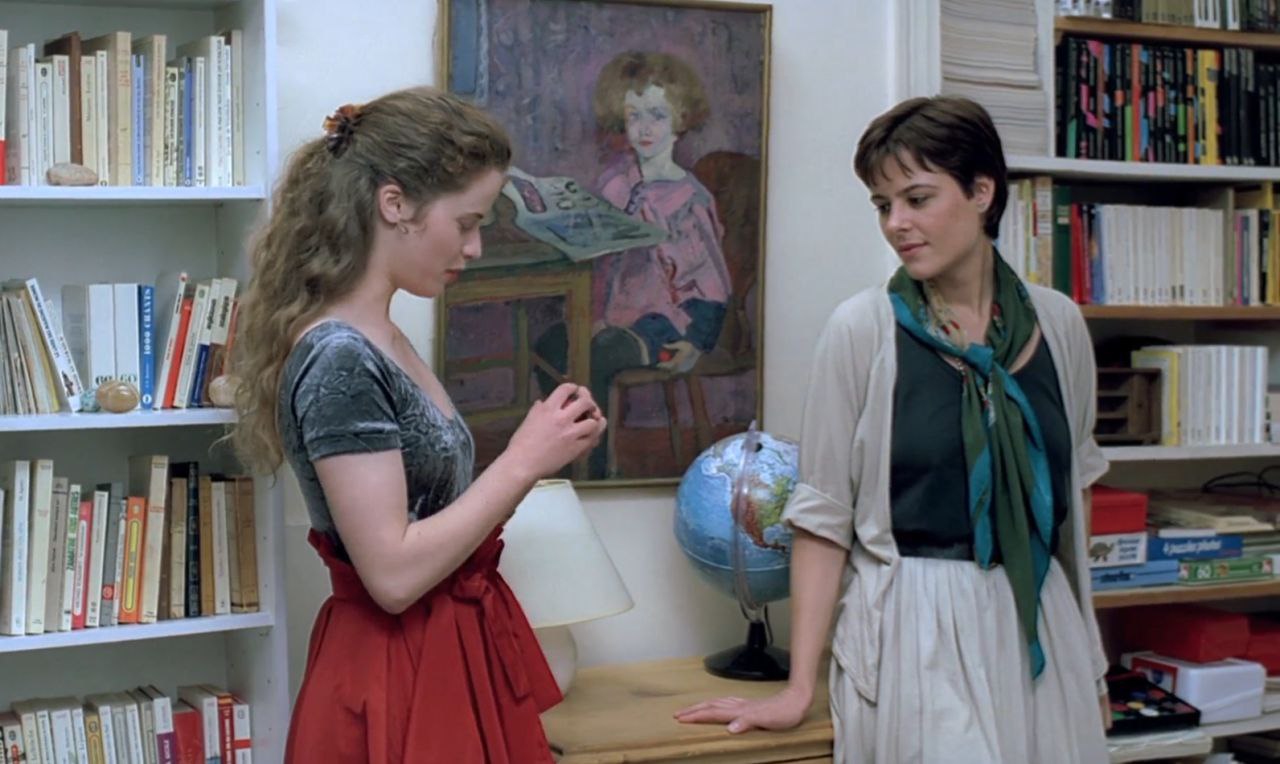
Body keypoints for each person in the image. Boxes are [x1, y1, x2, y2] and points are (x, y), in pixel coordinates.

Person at [675, 96, 1112, 762]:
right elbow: (823, 519)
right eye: (883, 205)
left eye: (917, 199)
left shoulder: (1059, 325)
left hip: (1040, 623)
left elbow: (1071, 508)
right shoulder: (862, 330)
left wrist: (1091, 663)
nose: (896, 224)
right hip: (916, 625)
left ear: (982, 192)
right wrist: (798, 689)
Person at [229, 87, 607, 763]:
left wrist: (538, 452)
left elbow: (433, 527)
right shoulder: (340, 357)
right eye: (465, 223)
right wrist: (524, 459)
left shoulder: (383, 338)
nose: (475, 246)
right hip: (394, 671)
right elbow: (394, 575)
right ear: (394, 204)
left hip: (440, 654)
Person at [535, 51, 733, 478]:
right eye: (634, 116)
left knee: (597, 356)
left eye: (657, 116)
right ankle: (562, 459)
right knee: (550, 345)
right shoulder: (614, 185)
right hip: (605, 313)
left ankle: (592, 469)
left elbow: (711, 282)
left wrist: (697, 341)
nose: (644, 128)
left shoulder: (688, 199)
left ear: (680, 120)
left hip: (665, 323)